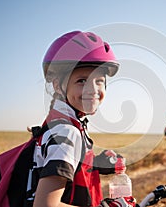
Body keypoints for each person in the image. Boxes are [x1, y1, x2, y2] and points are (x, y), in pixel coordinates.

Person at [28, 31, 135, 207]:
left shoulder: (65, 124)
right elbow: (45, 205)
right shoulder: (66, 133)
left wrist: (94, 164)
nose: (92, 89)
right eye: (82, 81)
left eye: (99, 80)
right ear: (58, 85)